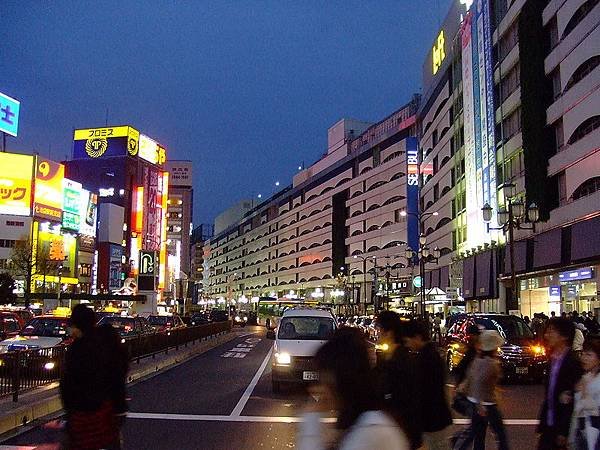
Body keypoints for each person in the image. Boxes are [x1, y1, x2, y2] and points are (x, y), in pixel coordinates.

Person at [297, 328, 409, 450]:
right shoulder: (362, 422)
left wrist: (311, 418)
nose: (319, 388)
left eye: (324, 379)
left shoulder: (371, 430)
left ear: (341, 380)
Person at [60, 304, 120, 450]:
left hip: (80, 413)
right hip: (104, 409)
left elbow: (67, 383)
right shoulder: (104, 343)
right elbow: (115, 374)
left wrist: (69, 410)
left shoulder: (76, 349)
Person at [453, 330, 509, 450]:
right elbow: (479, 382)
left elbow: (470, 378)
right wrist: (480, 404)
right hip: (486, 404)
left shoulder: (478, 359)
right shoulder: (491, 363)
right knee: (500, 434)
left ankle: (458, 444)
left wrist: (462, 390)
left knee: (478, 434)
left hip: (475, 402)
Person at [374, 311, 422, 449]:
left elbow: (408, 402)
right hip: (392, 433)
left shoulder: (402, 362)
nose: (377, 334)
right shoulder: (389, 359)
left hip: (400, 435)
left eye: (379, 330)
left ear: (388, 333)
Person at [404, 320, 453, 450]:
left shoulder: (426, 358)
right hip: (436, 419)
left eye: (408, 340)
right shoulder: (431, 354)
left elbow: (425, 392)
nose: (408, 344)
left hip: (432, 421)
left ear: (418, 337)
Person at [537, 317, 584, 450]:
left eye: (552, 332)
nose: (547, 335)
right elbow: (549, 396)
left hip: (562, 428)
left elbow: (572, 400)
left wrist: (564, 431)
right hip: (549, 425)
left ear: (564, 336)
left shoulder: (573, 363)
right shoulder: (552, 360)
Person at [570, 336, 600, 450]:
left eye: (589, 355)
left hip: (595, 435)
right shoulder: (585, 377)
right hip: (583, 434)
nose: (584, 358)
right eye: (583, 354)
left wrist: (584, 395)